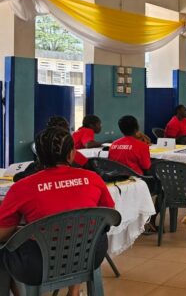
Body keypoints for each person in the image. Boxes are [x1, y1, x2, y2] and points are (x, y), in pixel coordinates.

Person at [0, 127, 115, 296]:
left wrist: (22, 231)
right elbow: (109, 216)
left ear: (38, 156)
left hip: (38, 266)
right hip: (89, 257)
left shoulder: (22, 187)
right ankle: (74, 290)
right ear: (71, 154)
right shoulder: (93, 178)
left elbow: (2, 235)